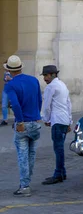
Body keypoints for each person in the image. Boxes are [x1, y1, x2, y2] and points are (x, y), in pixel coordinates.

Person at [3, 55, 42, 197]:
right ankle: (27, 181)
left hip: (23, 123)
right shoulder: (33, 80)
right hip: (35, 121)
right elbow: (39, 99)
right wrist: (37, 116)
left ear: (10, 70)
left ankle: (25, 185)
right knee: (31, 154)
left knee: (22, 156)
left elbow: (15, 104)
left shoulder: (10, 85)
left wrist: (19, 121)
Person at [40, 65, 72, 185]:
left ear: (52, 75)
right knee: (60, 148)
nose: (45, 78)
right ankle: (62, 172)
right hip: (63, 120)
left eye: (46, 75)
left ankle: (58, 173)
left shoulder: (51, 87)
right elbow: (69, 104)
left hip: (57, 120)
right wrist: (69, 121)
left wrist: (46, 119)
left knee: (58, 149)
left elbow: (47, 105)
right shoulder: (63, 85)